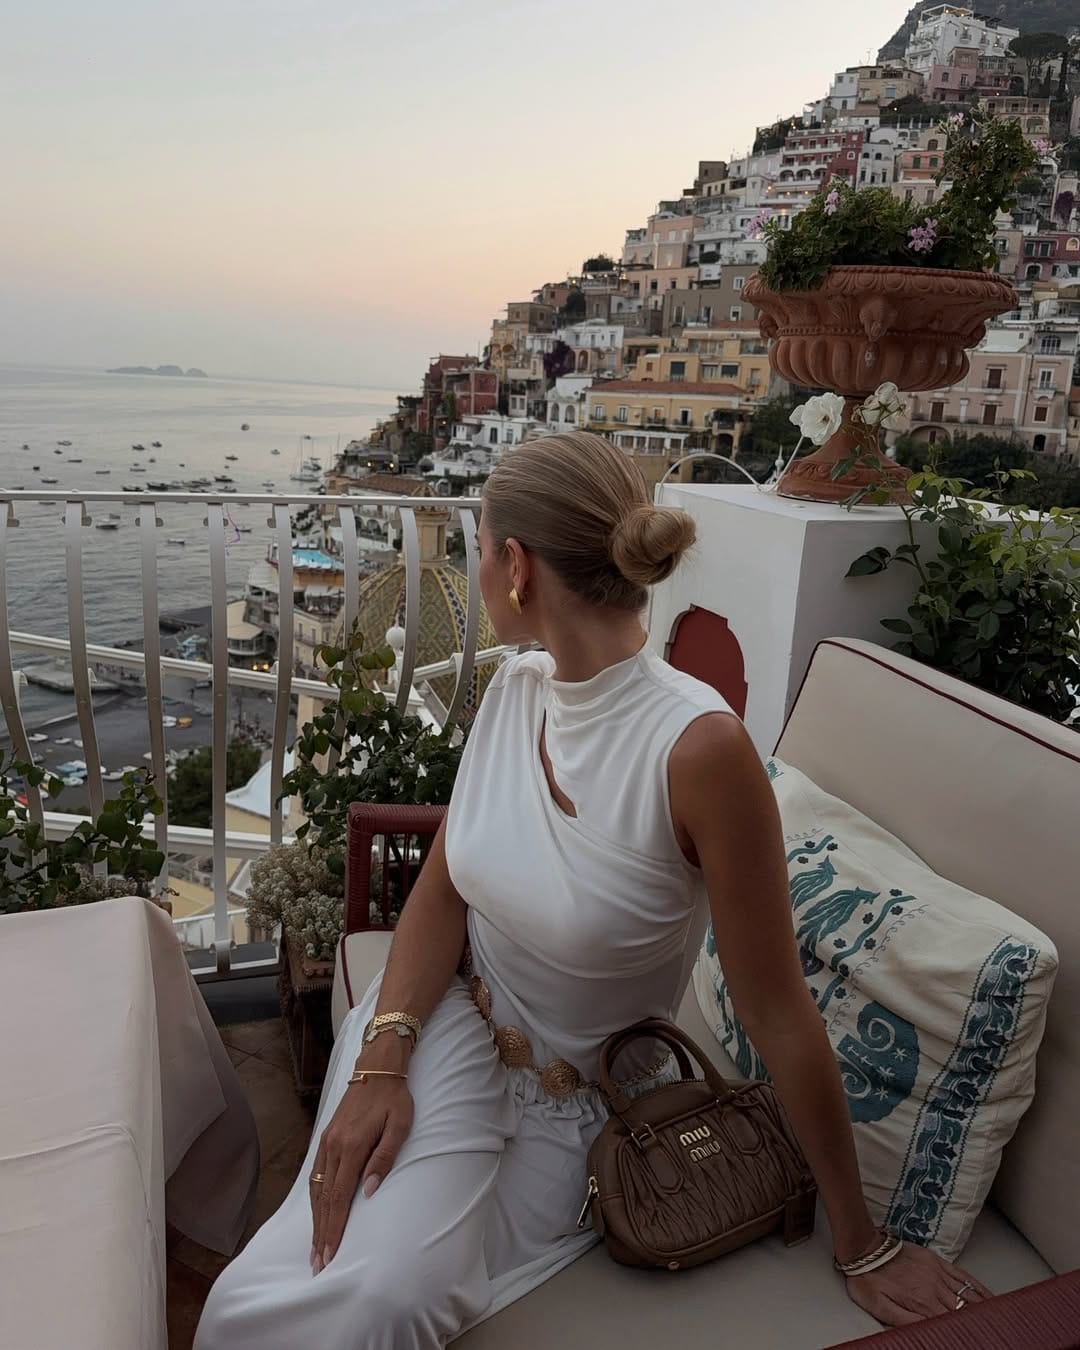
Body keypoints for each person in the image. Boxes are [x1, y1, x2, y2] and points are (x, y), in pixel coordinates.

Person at [196, 432, 990, 1350]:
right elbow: (445, 888)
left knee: (377, 1300)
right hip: (438, 1030)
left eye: (478, 549)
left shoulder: (698, 750)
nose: (476, 572)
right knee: (268, 1295)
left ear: (517, 568)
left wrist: (861, 1243)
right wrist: (383, 1059)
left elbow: (778, 1012)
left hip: (576, 1105)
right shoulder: (514, 692)